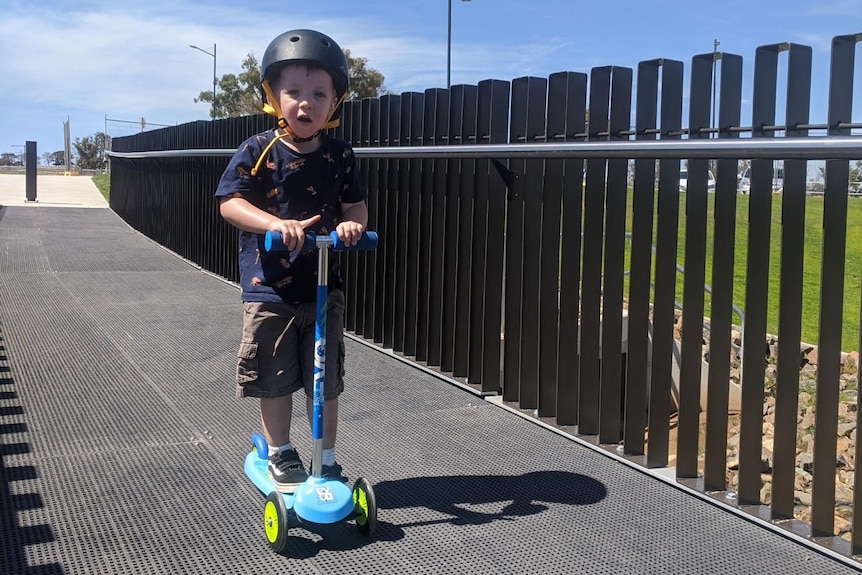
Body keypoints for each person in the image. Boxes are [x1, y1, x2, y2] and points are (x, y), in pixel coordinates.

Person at [215, 29, 368, 494]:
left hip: (324, 286)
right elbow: (229, 203)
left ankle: (327, 457)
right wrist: (271, 224)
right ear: (273, 97)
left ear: (334, 101)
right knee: (276, 377)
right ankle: (281, 450)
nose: (306, 103)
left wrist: (352, 226)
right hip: (271, 288)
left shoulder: (340, 155)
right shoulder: (258, 148)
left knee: (325, 378)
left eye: (319, 94)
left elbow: (354, 205)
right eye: (294, 92)